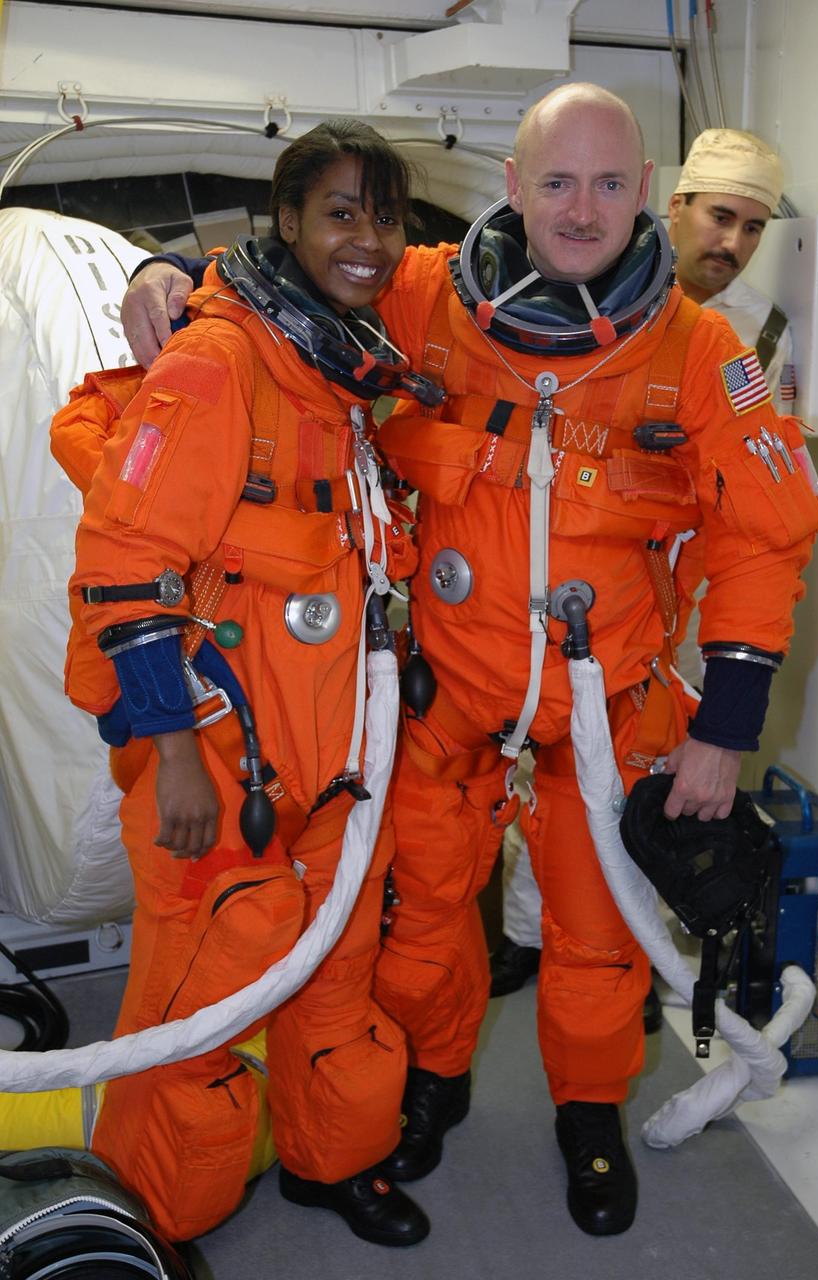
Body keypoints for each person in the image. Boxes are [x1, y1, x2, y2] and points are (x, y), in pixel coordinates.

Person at [122, 84, 818, 1238]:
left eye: (607, 184)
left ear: (643, 192)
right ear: (513, 185)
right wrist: (161, 271)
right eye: (556, 181)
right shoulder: (424, 293)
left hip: (605, 700)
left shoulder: (696, 353)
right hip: (444, 690)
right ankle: (432, 1078)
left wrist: (724, 726)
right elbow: (289, 283)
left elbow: (764, 536)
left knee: (597, 928)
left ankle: (588, 1115)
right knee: (420, 913)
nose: (580, 208)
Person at [59, 119, 436, 1249]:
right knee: (199, 1003)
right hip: (221, 761)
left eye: (385, 217)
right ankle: (152, 1222)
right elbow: (123, 563)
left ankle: (335, 1162)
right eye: (340, 212)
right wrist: (172, 751)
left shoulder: (339, 372)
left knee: (337, 973)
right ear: (285, 221)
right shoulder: (218, 362)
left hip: (333, 759)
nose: (366, 239)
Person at [494, 126, 796, 1013]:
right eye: (718, 217)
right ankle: (523, 935)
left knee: (634, 792)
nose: (730, 243)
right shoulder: (570, 300)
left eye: (751, 228)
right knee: (541, 778)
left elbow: (759, 510)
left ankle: (629, 949)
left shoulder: (748, 342)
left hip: (684, 608)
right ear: (669, 205)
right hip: (573, 595)